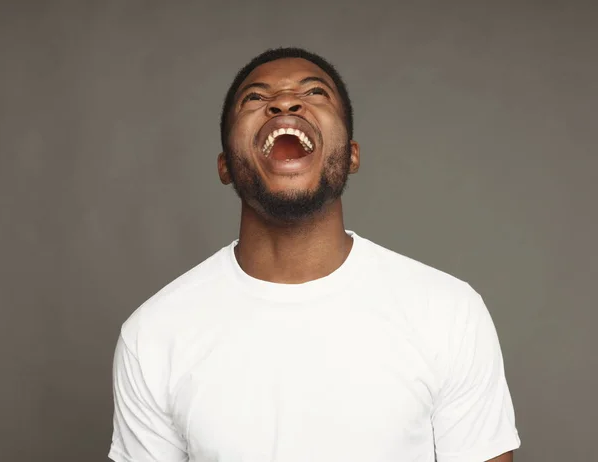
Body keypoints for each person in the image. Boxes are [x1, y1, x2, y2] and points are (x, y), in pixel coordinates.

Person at [108, 47, 521, 462]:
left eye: (315, 93)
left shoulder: (448, 313)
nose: (285, 103)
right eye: (254, 98)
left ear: (352, 156)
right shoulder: (153, 335)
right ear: (225, 167)